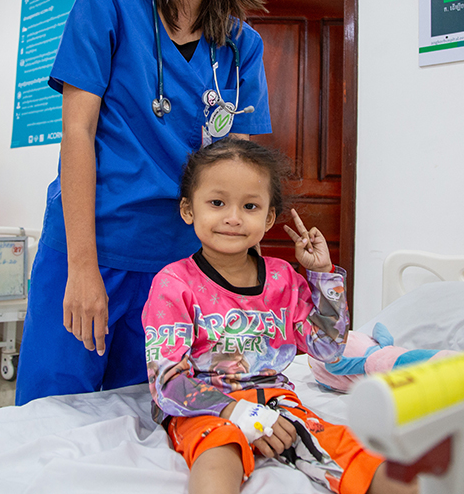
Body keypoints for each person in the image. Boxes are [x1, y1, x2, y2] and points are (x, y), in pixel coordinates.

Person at [15, 0, 274, 404]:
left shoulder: (242, 46)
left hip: (177, 263)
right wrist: (83, 269)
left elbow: (240, 174)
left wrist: (230, 282)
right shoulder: (106, 2)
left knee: (144, 412)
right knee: (54, 412)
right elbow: (78, 135)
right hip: (93, 241)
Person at [143, 139, 416, 494]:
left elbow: (327, 350)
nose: (233, 217)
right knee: (218, 449)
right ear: (188, 209)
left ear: (269, 217)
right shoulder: (173, 283)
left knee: (366, 461)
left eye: (251, 205)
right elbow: (167, 381)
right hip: (203, 406)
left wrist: (323, 276)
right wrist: (236, 414)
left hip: (275, 401)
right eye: (217, 202)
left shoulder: (283, 279)